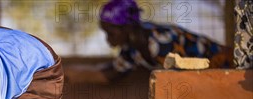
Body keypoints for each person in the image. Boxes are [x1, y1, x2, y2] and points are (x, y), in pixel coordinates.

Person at [67, 0, 233, 83]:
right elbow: (109, 73)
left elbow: (182, 83)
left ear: (128, 28)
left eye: (111, 32)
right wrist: (64, 74)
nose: (107, 39)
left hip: (229, 68)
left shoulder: (161, 43)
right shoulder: (132, 50)